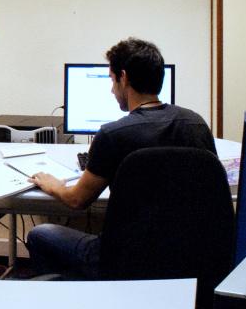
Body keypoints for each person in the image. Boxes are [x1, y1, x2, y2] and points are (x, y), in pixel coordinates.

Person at [25, 38, 215, 278]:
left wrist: (54, 185)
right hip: (189, 259)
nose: (112, 90)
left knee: (40, 234)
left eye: (112, 81)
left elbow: (77, 201)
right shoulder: (196, 124)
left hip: (124, 260)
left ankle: (70, 304)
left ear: (123, 78)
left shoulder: (113, 135)